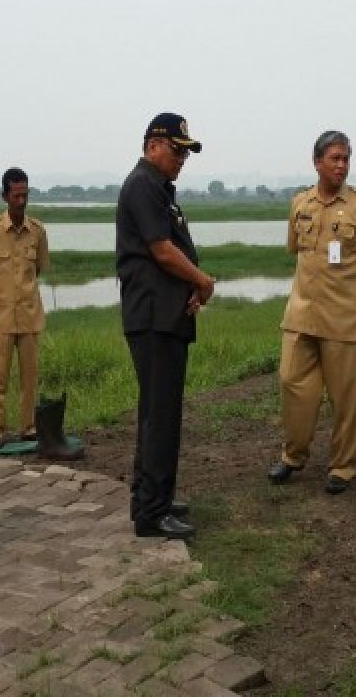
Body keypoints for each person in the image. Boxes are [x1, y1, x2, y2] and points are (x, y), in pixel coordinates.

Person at [115, 113, 215, 542]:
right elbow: (162, 250)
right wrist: (202, 281)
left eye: (186, 152)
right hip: (153, 318)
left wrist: (189, 287)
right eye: (176, 149)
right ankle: (152, 515)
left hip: (166, 315)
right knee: (161, 415)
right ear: (152, 144)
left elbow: (170, 251)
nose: (181, 158)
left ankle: (150, 496)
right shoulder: (142, 185)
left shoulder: (158, 189)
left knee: (157, 411)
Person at [267, 131, 356, 494]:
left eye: (346, 158)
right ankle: (293, 455)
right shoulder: (301, 204)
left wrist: (349, 292)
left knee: (344, 396)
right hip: (301, 313)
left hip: (342, 317)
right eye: (334, 158)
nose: (341, 165)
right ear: (317, 161)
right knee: (291, 381)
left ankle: (343, 466)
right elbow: (295, 251)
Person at [0, 168, 51, 451]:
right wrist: (0, 294)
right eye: (16, 195)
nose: (22, 201)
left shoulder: (38, 231)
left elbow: (38, 271)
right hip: (0, 316)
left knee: (30, 377)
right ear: (5, 196)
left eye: (25, 195)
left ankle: (29, 428)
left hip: (30, 316)